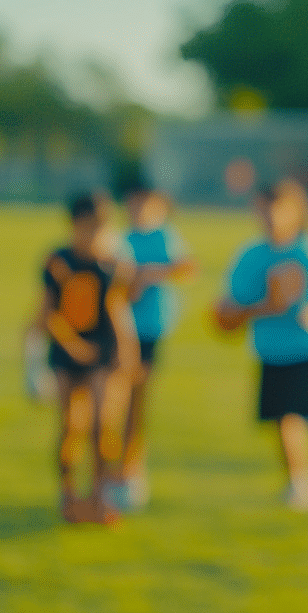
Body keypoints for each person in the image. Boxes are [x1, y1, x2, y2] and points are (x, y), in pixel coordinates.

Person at [213, 179, 308, 511]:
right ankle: (299, 482)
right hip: (271, 350)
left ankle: (304, 475)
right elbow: (228, 309)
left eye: (278, 208)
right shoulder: (251, 255)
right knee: (284, 421)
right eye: (264, 208)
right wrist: (262, 308)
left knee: (299, 417)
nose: (270, 215)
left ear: (296, 212)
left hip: (307, 348)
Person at [39, 190, 140, 525]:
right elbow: (48, 313)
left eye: (100, 227)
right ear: (72, 225)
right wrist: (71, 344)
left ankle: (100, 496)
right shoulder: (58, 261)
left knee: (102, 425)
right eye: (87, 227)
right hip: (68, 351)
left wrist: (128, 351)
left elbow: (118, 309)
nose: (93, 235)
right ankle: (68, 494)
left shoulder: (114, 263)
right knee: (71, 425)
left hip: (103, 351)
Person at [112, 185, 194, 511]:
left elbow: (188, 267)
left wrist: (150, 274)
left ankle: (131, 472)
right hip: (118, 331)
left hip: (149, 332)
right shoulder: (120, 240)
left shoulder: (166, 237)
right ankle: (113, 471)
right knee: (112, 402)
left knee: (136, 401)